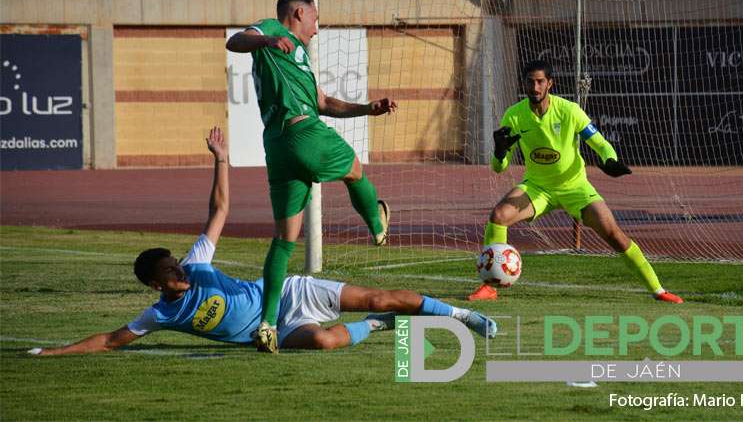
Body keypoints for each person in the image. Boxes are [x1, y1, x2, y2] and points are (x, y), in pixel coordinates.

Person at [29, 128, 496, 356]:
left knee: (378, 292)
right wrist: (52, 352)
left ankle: (465, 315)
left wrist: (221, 159)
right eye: (171, 271)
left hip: (285, 294)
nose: (181, 270)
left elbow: (219, 211)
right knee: (326, 342)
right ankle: (380, 326)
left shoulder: (198, 263)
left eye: (177, 262)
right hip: (271, 333)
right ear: (157, 286)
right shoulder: (160, 316)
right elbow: (111, 340)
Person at [225, 0, 397, 353]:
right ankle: (378, 227)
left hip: (278, 145)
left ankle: (268, 324)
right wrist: (267, 39)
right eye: (315, 20)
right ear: (300, 13)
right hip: (302, 132)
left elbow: (324, 102)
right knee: (353, 168)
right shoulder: (271, 30)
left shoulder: (298, 54)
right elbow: (235, 41)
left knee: (285, 239)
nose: (317, 30)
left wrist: (369, 108)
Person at [469, 60, 683, 304]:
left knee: (613, 234)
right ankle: (489, 286)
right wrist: (499, 151)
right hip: (537, 188)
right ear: (524, 83)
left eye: (540, 81)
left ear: (550, 83)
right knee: (499, 216)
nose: (535, 87)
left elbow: (599, 142)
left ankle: (658, 289)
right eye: (530, 81)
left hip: (576, 187)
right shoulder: (514, 116)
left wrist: (610, 159)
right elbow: (499, 168)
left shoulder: (569, 110)